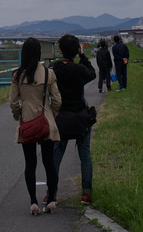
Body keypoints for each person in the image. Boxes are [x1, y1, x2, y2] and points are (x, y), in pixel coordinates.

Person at [9, 37, 62, 215]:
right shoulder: (49, 73)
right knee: (49, 163)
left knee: (30, 164)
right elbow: (57, 100)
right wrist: (51, 115)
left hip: (27, 122)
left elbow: (13, 102)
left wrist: (19, 117)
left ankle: (33, 202)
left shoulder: (17, 75)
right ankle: (51, 200)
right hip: (46, 121)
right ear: (39, 53)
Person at [51, 34, 96, 203]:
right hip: (80, 118)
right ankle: (86, 192)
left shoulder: (55, 69)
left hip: (61, 118)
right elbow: (91, 74)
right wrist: (83, 56)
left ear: (60, 49)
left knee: (56, 156)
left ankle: (52, 193)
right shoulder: (79, 69)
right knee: (85, 154)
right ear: (76, 50)